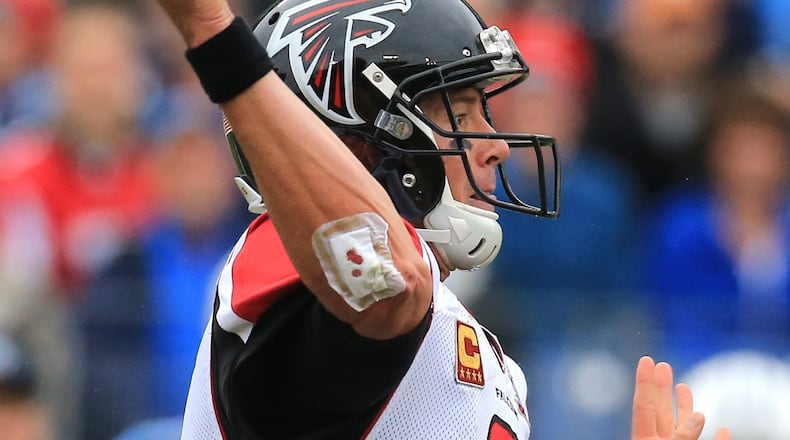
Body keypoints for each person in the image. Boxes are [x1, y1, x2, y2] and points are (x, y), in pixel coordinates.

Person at [153, 0, 730, 438]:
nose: (497, 146)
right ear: (364, 140)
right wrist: (220, 46)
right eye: (459, 112)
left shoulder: (446, 317)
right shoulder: (299, 252)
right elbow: (382, 284)